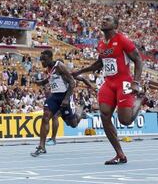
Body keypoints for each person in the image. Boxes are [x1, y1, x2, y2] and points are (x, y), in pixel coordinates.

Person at [72, 15, 143, 165]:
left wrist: (136, 82)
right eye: (103, 19)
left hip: (124, 81)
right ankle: (120, 154)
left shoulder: (122, 40)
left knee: (125, 120)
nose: (103, 20)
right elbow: (99, 64)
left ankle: (139, 99)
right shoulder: (101, 44)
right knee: (104, 115)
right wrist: (80, 72)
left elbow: (138, 60)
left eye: (108, 20)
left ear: (115, 25)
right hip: (109, 83)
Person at [31, 50, 87, 157]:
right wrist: (41, 83)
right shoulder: (49, 68)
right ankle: (42, 146)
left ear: (50, 58)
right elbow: (50, 79)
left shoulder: (59, 66)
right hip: (54, 96)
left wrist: (66, 99)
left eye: (44, 59)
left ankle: (80, 113)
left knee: (73, 124)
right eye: (41, 59)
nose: (42, 61)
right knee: (45, 117)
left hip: (64, 96)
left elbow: (72, 82)